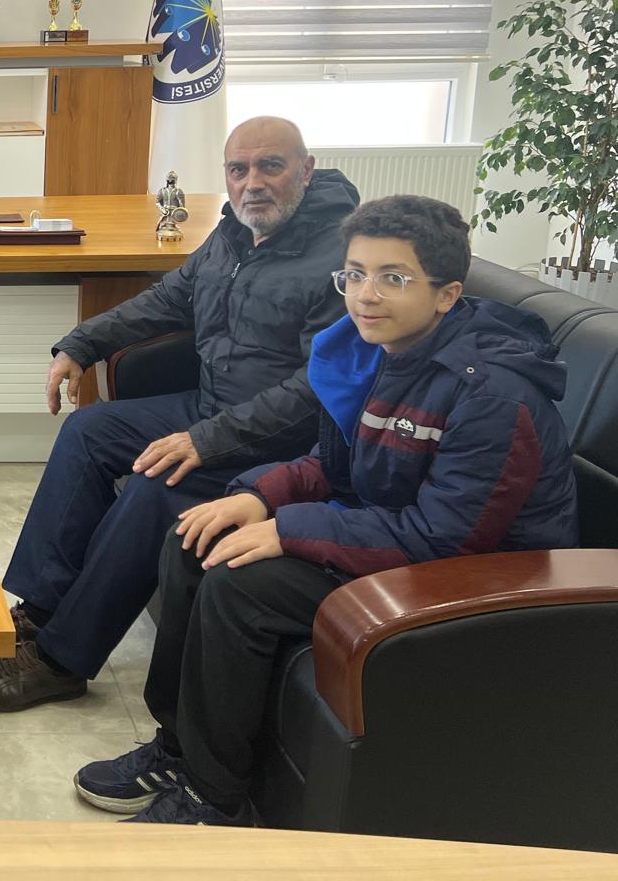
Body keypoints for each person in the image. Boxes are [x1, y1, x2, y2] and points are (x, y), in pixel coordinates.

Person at [74, 194, 577, 825]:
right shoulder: (376, 350)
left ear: (447, 295)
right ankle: (178, 748)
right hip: (401, 538)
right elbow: (333, 462)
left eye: (393, 278)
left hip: (472, 583)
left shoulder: (494, 395)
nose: (366, 295)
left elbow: (446, 538)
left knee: (240, 585)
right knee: (195, 538)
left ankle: (214, 799)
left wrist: (288, 530)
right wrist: (259, 496)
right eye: (355, 275)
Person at [0, 117, 358, 712]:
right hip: (210, 407)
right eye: (238, 169)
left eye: (270, 166)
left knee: (153, 484)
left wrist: (206, 440)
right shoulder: (232, 233)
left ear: (306, 169)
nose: (252, 183)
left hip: (279, 440)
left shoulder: (342, 257)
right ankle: (40, 609)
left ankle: (62, 661)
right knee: (89, 430)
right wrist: (80, 344)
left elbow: (316, 390)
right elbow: (169, 298)